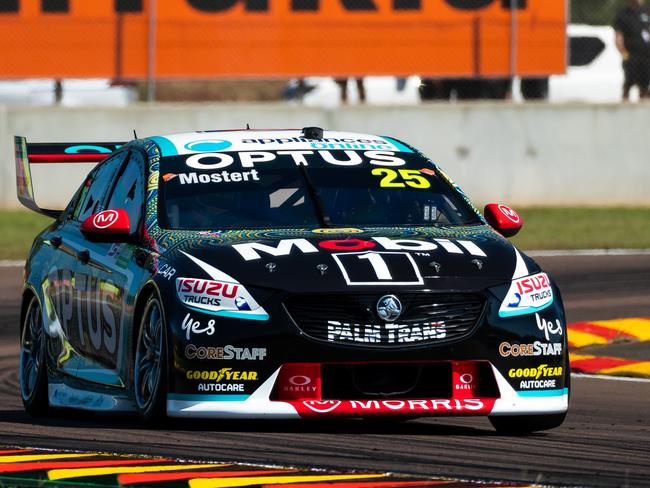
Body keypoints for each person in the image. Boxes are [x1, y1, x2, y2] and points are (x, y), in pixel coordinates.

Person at [614, 0, 650, 100]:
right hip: (631, 54)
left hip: (646, 54)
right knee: (629, 80)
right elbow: (618, 36)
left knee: (645, 83)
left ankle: (644, 103)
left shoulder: (646, 11)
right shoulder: (623, 15)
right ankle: (625, 101)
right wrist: (623, 52)